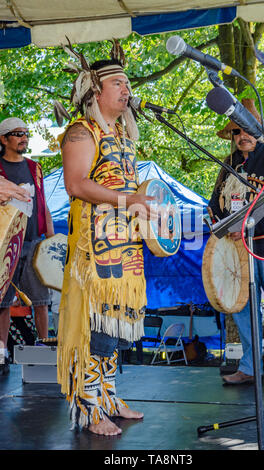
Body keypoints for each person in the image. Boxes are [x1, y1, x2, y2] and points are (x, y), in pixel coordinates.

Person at [56, 41, 154, 436]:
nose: (126, 89)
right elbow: (76, 184)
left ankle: (109, 395)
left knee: (115, 327)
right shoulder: (82, 132)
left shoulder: (125, 138)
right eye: (118, 83)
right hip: (93, 251)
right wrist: (128, 198)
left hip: (125, 247)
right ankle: (88, 405)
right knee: (94, 328)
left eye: (128, 83)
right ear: (95, 90)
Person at [208, 99, 264, 392]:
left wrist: (244, 224)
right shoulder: (229, 164)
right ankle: (250, 366)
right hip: (237, 251)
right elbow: (214, 204)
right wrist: (223, 227)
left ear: (259, 130)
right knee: (241, 308)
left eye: (246, 129)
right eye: (235, 132)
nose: (241, 136)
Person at [0, 117, 54, 375]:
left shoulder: (35, 167)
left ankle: (44, 349)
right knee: (2, 301)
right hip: (4, 243)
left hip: (33, 242)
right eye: (17, 133)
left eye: (26, 133)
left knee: (41, 300)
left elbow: (43, 205)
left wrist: (51, 240)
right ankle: (1, 352)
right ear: (3, 139)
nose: (24, 137)